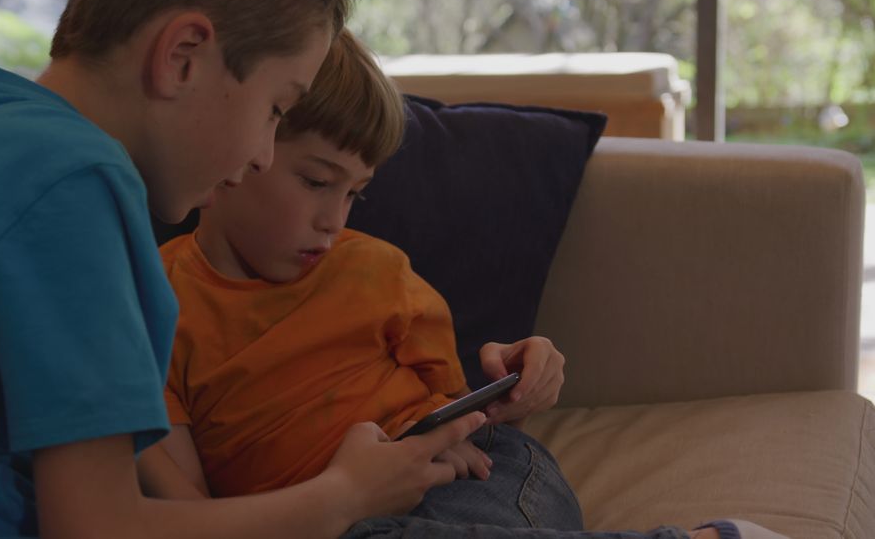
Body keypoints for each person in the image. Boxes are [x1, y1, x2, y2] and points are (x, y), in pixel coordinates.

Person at [0, 0, 491, 538]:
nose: (259, 155)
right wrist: (342, 497)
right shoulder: (76, 181)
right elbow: (97, 528)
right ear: (182, 55)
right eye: (277, 109)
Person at [150, 30, 788, 539]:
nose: (332, 220)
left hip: (472, 477)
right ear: (243, 145)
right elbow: (187, 509)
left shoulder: (375, 269)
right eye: (316, 182)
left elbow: (453, 409)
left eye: (354, 194)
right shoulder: (157, 304)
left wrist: (509, 386)